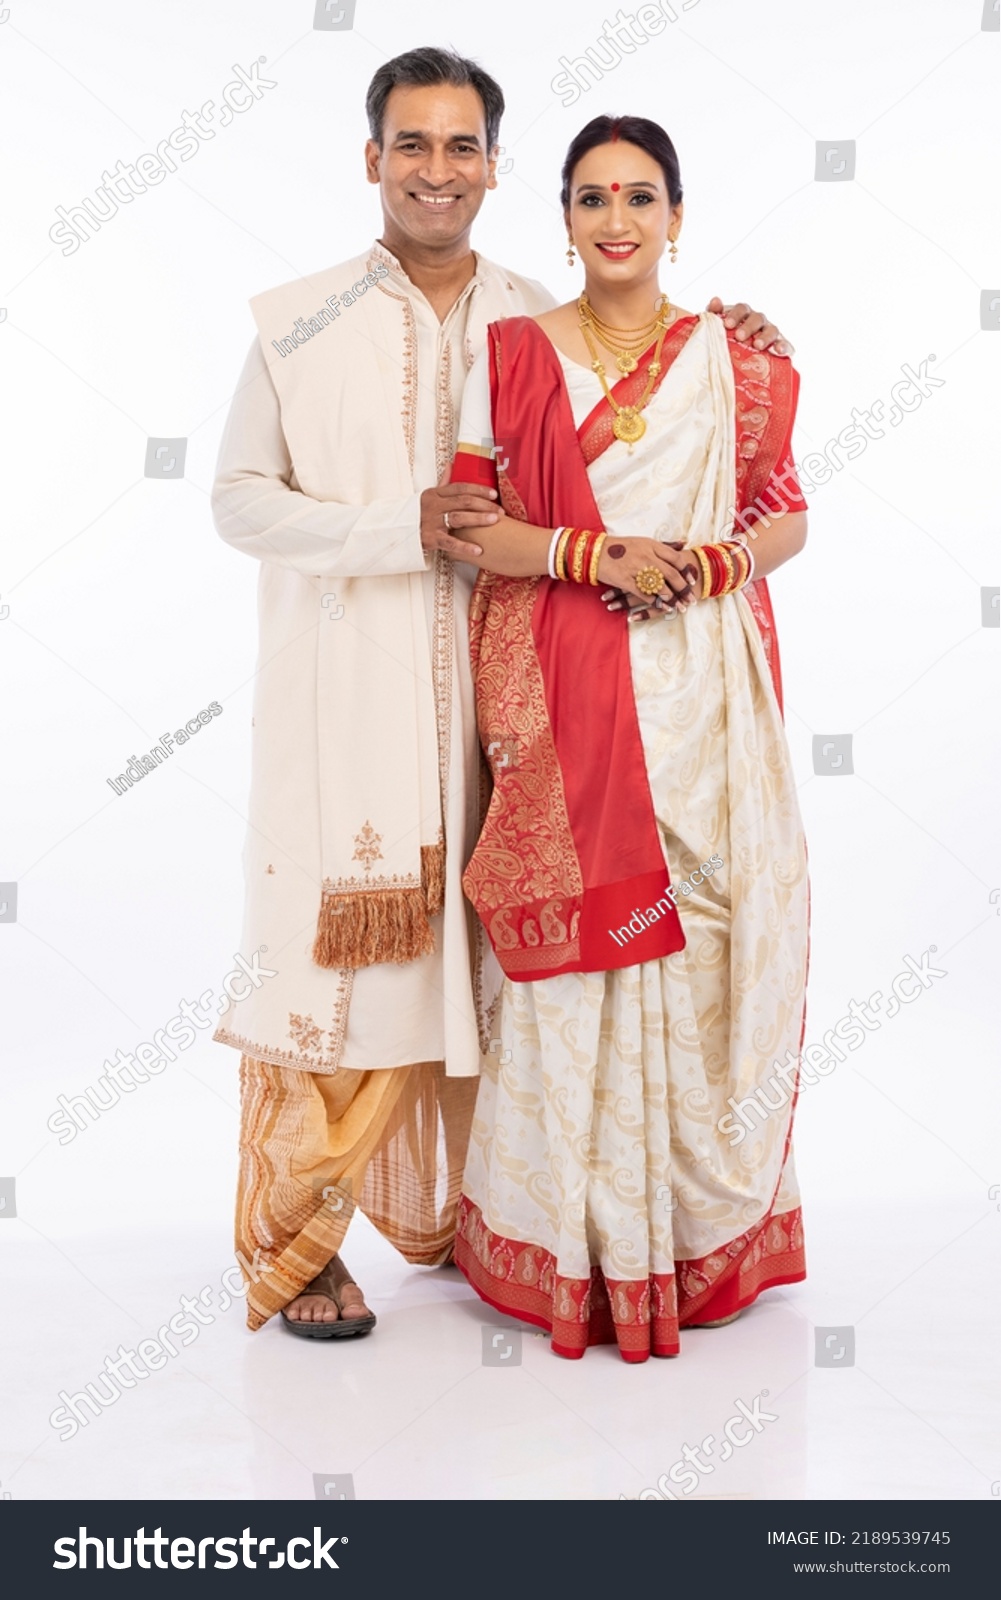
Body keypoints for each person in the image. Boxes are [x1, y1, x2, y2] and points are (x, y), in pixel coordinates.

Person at [211, 46, 794, 1338]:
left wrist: (744, 350)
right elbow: (238, 502)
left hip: (521, 709)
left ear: (493, 165)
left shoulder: (537, 310)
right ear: (372, 159)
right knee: (342, 973)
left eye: (462, 146)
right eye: (411, 145)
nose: (437, 170)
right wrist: (395, 525)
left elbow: (682, 416)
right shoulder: (294, 320)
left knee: (497, 979)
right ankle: (296, 1242)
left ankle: (484, 1214)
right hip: (350, 697)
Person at [447, 114, 809, 1362]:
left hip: (702, 698)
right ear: (560, 217)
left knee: (698, 945)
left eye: (639, 197)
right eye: (591, 197)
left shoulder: (732, 359)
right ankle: (572, 1241)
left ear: (675, 215)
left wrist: (703, 563)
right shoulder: (507, 354)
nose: (615, 220)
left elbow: (784, 516)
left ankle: (681, 1229)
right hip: (564, 686)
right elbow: (469, 526)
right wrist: (590, 552)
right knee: (581, 970)